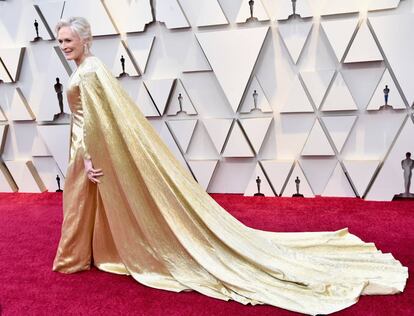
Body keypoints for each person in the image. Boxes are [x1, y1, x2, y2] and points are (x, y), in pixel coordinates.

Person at [53, 17, 408, 315]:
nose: (64, 45)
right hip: (85, 149)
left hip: (86, 150)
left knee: (82, 201)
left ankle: (77, 256)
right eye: (60, 41)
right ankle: (91, 252)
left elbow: (96, 122)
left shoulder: (88, 72)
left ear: (85, 40)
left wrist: (86, 158)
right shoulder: (90, 68)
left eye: (69, 39)